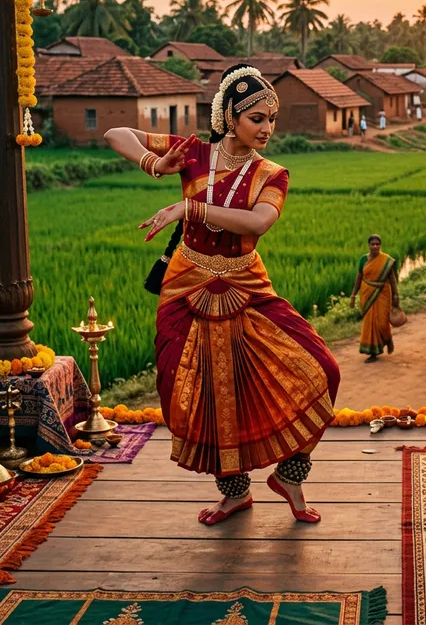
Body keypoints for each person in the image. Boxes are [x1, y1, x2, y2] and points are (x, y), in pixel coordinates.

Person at [104, 64, 340, 526]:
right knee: (194, 392)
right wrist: (155, 163)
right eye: (257, 118)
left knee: (324, 368)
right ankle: (233, 493)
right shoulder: (191, 152)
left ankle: (290, 474)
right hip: (186, 282)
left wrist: (188, 206)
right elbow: (116, 132)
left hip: (246, 281)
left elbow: (257, 223)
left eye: (272, 119)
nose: (268, 128)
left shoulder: (272, 174)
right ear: (230, 118)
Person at [350, 234, 399, 363]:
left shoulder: (386, 260)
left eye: (378, 244)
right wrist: (353, 295)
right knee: (370, 322)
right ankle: (373, 352)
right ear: (369, 245)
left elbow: (392, 279)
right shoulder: (363, 260)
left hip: (383, 293)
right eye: (373, 244)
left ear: (380, 245)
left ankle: (388, 340)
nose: (375, 246)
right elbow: (359, 277)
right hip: (367, 293)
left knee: (382, 322)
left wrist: (396, 295)